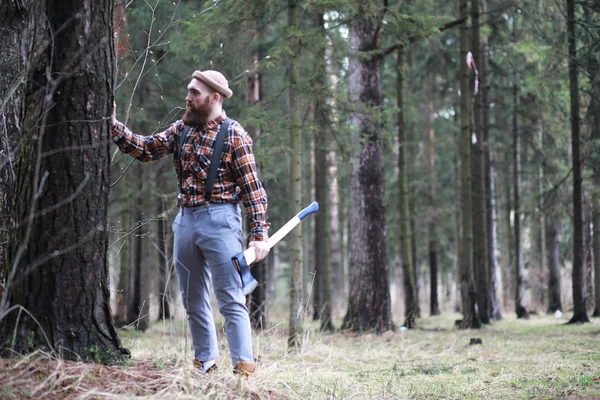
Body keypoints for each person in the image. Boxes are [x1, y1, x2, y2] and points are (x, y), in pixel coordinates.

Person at [111, 70, 270, 376]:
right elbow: (146, 148)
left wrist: (259, 234)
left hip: (221, 221)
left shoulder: (235, 135)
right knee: (192, 299)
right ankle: (205, 364)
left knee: (230, 298)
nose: (187, 97)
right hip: (185, 220)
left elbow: (254, 191)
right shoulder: (181, 128)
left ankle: (243, 370)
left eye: (195, 93)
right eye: (188, 90)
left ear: (214, 98)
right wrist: (114, 127)